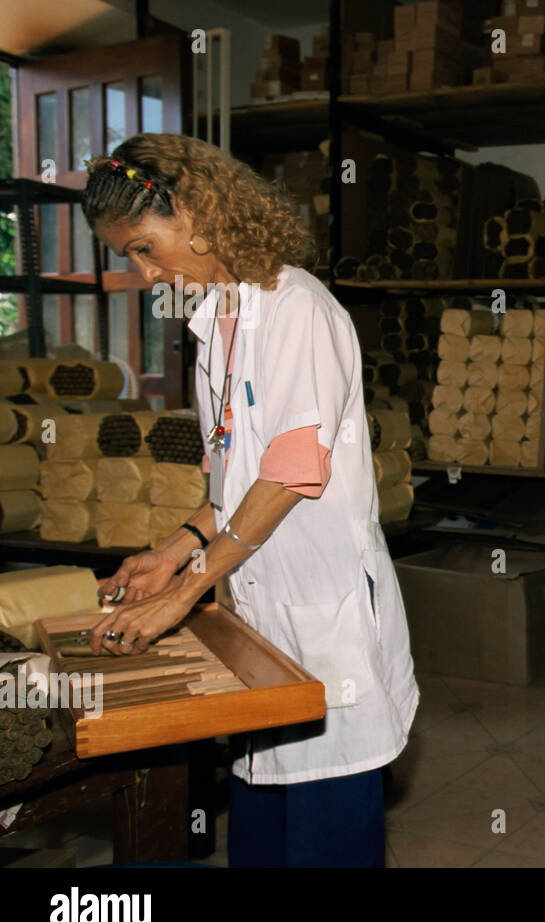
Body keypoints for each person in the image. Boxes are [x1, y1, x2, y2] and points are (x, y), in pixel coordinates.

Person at [82, 133, 418, 867]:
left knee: (328, 836)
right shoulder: (216, 323)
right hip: (264, 615)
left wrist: (190, 588)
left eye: (144, 247)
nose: (144, 273)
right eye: (129, 258)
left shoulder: (295, 309)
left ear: (197, 211)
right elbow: (234, 477)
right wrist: (172, 550)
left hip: (323, 614)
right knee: (261, 834)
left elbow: (292, 471)